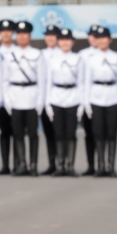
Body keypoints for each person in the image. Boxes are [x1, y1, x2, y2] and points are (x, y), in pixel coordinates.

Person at [0, 20, 44, 176]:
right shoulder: (9, 55)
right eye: (20, 34)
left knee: (32, 134)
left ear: (29, 36)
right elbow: (5, 80)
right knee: (17, 134)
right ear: (16, 36)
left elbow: (42, 80)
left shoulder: (37, 54)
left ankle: (33, 165)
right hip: (15, 97)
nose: (22, 37)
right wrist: (8, 100)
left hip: (32, 97)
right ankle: (21, 164)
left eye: (25, 34)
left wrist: (40, 101)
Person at [82, 25, 117, 178]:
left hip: (113, 96)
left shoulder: (116, 57)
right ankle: (100, 166)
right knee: (98, 134)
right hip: (96, 97)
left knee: (112, 134)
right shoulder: (91, 59)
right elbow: (86, 82)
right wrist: (86, 102)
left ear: (110, 40)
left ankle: (111, 166)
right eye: (98, 38)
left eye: (104, 38)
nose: (101, 41)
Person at [43, 30, 85, 176]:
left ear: (73, 42)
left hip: (73, 98)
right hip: (56, 98)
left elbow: (81, 82)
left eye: (68, 40)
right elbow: (48, 82)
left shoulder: (78, 59)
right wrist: (47, 103)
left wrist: (81, 104)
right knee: (59, 133)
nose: (65, 43)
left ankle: (70, 166)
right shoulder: (52, 60)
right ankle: (60, 165)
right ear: (58, 41)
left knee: (71, 134)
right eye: (62, 39)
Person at [0, 19, 17, 175]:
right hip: (1, 100)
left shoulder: (19, 52)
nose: (6, 34)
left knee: (18, 133)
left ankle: (18, 164)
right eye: (3, 31)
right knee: (4, 133)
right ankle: (5, 165)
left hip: (17, 98)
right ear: (0, 34)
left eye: (9, 31)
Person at [39, 25, 63, 174]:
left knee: (61, 133)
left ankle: (63, 162)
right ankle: (52, 163)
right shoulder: (40, 54)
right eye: (47, 35)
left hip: (60, 98)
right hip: (44, 99)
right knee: (48, 133)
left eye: (53, 35)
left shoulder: (64, 53)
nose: (50, 38)